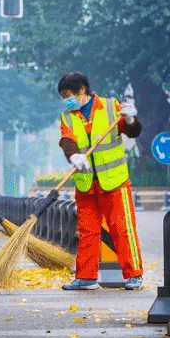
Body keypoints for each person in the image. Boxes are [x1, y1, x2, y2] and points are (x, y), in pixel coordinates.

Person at [57, 71, 144, 291]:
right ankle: (86, 277)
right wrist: (73, 155)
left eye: (68, 95)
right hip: (86, 184)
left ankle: (134, 275)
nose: (66, 100)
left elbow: (131, 131)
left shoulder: (109, 106)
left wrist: (131, 119)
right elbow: (67, 140)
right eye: (63, 97)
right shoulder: (67, 116)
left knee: (122, 229)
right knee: (87, 231)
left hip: (114, 181)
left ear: (81, 91)